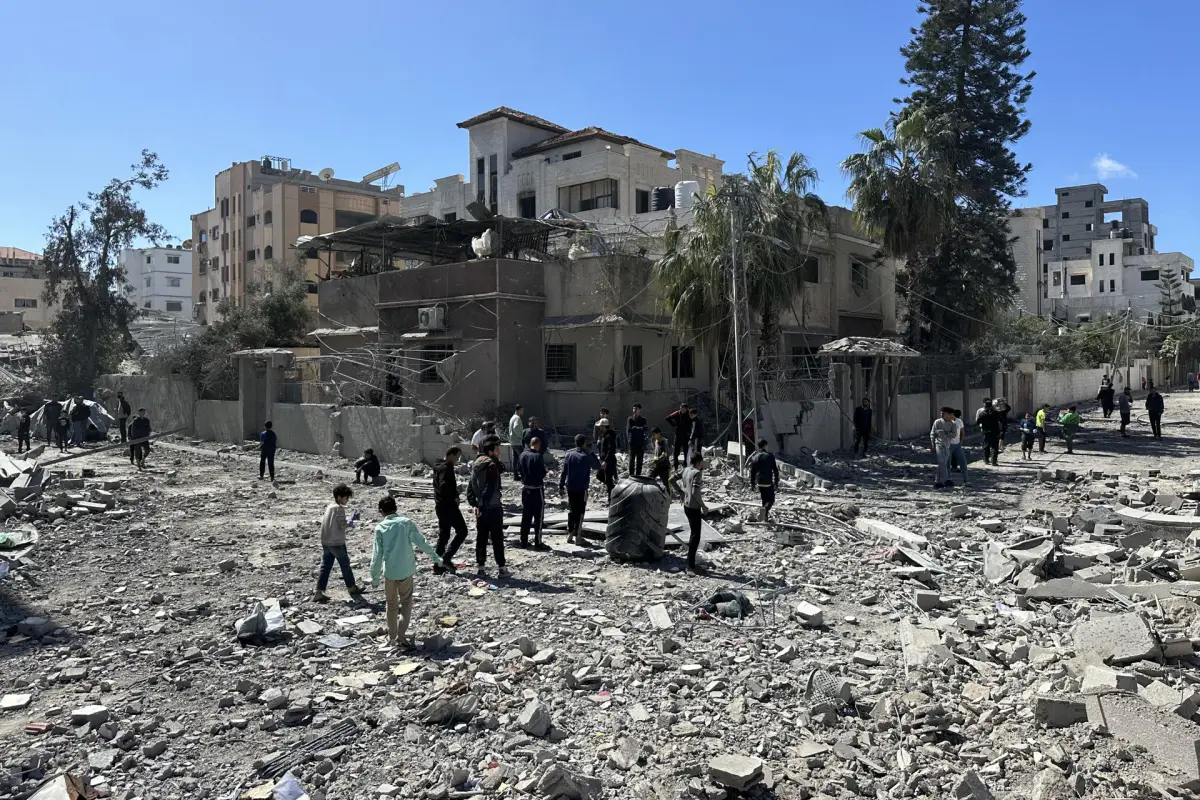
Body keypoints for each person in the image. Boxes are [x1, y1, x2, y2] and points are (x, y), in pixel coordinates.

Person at [370, 494, 441, 648]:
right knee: (406, 602)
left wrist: (374, 577)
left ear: (381, 511)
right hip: (406, 570)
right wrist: (435, 557)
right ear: (396, 508)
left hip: (389, 572)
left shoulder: (380, 528)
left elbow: (377, 555)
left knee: (391, 604)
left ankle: (392, 637)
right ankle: (402, 635)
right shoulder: (406, 523)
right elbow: (421, 542)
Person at [467, 436, 509, 578]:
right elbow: (490, 487)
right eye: (497, 450)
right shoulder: (491, 465)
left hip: (480, 509)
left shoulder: (476, 464)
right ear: (491, 451)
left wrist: (475, 504)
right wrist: (482, 504)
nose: (499, 453)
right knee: (497, 538)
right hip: (492, 507)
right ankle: (501, 568)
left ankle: (481, 567)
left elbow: (470, 487)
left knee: (481, 538)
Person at [313, 484, 362, 602]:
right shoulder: (339, 509)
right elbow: (343, 525)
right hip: (336, 542)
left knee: (326, 567)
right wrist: (352, 520)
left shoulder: (330, 507)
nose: (347, 500)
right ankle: (351, 587)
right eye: (346, 498)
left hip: (326, 542)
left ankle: (318, 592)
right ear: (339, 497)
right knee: (345, 565)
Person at [431, 446, 467, 574]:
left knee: (444, 535)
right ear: (451, 455)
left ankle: (437, 565)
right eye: (457, 457)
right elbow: (444, 486)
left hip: (440, 506)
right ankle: (446, 558)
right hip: (448, 506)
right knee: (462, 531)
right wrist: (455, 496)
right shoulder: (446, 468)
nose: (457, 460)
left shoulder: (438, 466)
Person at [559, 434, 599, 545]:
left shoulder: (569, 455)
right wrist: (591, 452)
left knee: (572, 510)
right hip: (582, 488)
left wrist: (561, 486)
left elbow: (564, 472)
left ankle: (570, 533)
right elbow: (597, 466)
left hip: (571, 488)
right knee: (580, 512)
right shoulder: (586, 456)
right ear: (584, 443)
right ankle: (578, 536)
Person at [677, 453, 709, 575]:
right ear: (699, 462)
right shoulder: (697, 473)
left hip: (686, 505)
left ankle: (690, 564)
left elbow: (671, 479)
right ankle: (690, 566)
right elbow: (696, 492)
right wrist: (703, 506)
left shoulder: (685, 470)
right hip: (694, 507)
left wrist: (681, 492)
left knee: (693, 535)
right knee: (695, 536)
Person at [518, 437, 548, 549]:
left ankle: (523, 541)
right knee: (538, 517)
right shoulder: (538, 457)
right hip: (536, 490)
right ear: (537, 444)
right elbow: (542, 473)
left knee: (526, 516)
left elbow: (518, 469)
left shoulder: (522, 455)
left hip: (525, 490)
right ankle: (538, 542)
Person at [746, 439, 779, 521]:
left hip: (759, 482)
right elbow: (775, 470)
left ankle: (765, 517)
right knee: (771, 499)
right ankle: (764, 512)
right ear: (765, 445)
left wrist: (752, 483)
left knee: (764, 499)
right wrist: (776, 483)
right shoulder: (770, 456)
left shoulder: (755, 457)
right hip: (768, 481)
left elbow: (752, 472)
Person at [930, 407, 958, 489]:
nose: (941, 414)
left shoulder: (953, 424)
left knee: (942, 464)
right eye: (941, 413)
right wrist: (932, 445)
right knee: (941, 462)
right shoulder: (937, 422)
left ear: (949, 414)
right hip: (939, 444)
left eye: (944, 413)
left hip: (947, 445)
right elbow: (932, 434)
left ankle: (938, 482)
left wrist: (945, 432)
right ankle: (946, 480)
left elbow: (954, 435)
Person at [976, 399, 1002, 466]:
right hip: (995, 431)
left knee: (986, 446)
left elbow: (977, 422)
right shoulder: (996, 413)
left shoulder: (982, 413)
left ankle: (986, 460)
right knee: (994, 447)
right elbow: (1000, 419)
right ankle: (994, 461)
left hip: (985, 431)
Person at [597, 418, 619, 500]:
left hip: (609, 461)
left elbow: (611, 450)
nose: (599, 428)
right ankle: (613, 489)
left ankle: (611, 499)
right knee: (600, 476)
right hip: (606, 461)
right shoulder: (604, 435)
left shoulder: (609, 436)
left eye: (601, 426)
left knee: (608, 480)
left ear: (604, 426)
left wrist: (605, 461)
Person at [666, 403, 692, 467]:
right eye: (681, 408)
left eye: (683, 409)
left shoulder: (689, 414)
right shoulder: (677, 413)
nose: (682, 410)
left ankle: (686, 465)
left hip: (686, 435)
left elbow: (694, 420)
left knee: (686, 451)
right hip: (678, 435)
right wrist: (674, 425)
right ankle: (676, 466)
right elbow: (667, 418)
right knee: (676, 452)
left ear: (686, 409)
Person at [626, 403, 648, 476]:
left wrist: (637, 428)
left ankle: (638, 475)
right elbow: (630, 429)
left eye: (636, 409)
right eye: (633, 408)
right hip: (632, 443)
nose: (634, 410)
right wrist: (640, 428)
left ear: (639, 410)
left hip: (640, 443)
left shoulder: (643, 420)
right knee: (631, 461)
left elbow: (645, 429)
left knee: (639, 461)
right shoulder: (630, 419)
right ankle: (631, 475)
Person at [949, 409, 969, 486]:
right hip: (949, 445)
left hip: (957, 445)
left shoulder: (959, 421)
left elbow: (962, 433)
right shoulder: (946, 422)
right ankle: (947, 480)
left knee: (963, 463)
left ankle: (966, 480)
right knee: (947, 463)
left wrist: (960, 443)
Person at [508, 404, 524, 471]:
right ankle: (523, 474)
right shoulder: (517, 418)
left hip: (513, 441)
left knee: (516, 458)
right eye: (522, 410)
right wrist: (521, 436)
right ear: (519, 410)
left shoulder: (512, 417)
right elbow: (516, 427)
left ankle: (515, 474)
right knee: (522, 458)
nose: (523, 412)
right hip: (517, 441)